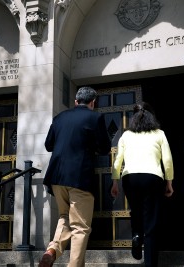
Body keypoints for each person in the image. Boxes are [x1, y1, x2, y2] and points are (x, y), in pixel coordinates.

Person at [39, 86, 111, 267]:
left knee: (64, 216)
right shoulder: (95, 117)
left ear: (75, 101)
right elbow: (105, 148)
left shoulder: (59, 117)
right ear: (92, 102)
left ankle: (52, 250)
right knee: (80, 226)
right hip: (79, 178)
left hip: (56, 177)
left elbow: (48, 145)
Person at [111, 102, 174, 267]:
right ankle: (150, 263)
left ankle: (136, 235)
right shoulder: (159, 134)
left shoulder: (126, 135)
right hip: (153, 178)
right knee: (151, 221)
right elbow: (167, 160)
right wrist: (169, 182)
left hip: (130, 178)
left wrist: (115, 182)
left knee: (136, 211)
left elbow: (118, 161)